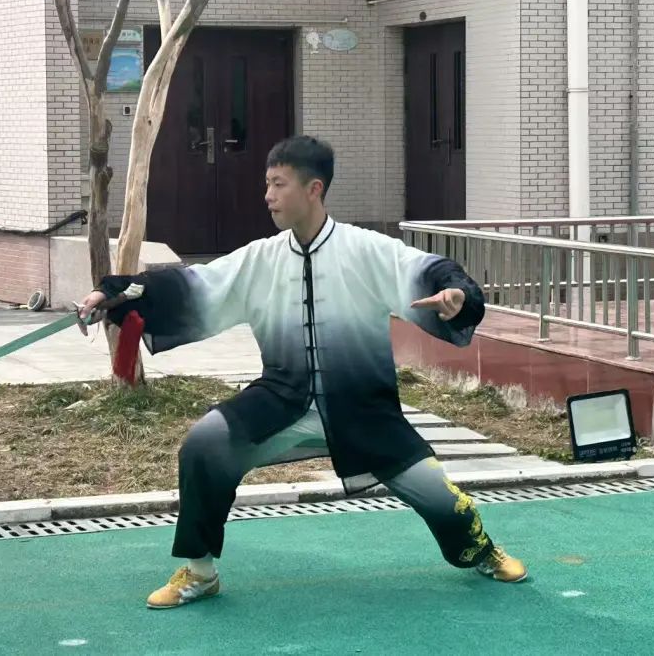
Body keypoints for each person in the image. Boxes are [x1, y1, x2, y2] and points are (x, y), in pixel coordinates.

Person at [78, 135, 527, 610]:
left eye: (278, 184)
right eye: (266, 184)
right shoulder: (260, 259)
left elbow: (433, 270)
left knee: (439, 498)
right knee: (203, 446)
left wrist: (457, 295)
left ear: (314, 189)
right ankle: (200, 572)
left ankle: (481, 550)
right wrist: (115, 292)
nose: (268, 196)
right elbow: (192, 285)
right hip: (281, 399)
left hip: (363, 407)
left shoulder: (367, 250)